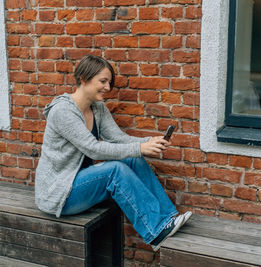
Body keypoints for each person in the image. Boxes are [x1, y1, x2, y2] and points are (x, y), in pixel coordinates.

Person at [35, 54, 191, 251]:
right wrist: (140, 148)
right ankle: (156, 231)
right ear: (83, 79)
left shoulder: (97, 108)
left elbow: (119, 139)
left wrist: (148, 142)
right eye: (103, 81)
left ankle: (168, 218)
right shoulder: (62, 112)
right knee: (114, 170)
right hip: (59, 194)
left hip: (79, 182)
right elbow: (93, 148)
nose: (108, 88)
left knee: (132, 159)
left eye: (109, 82)